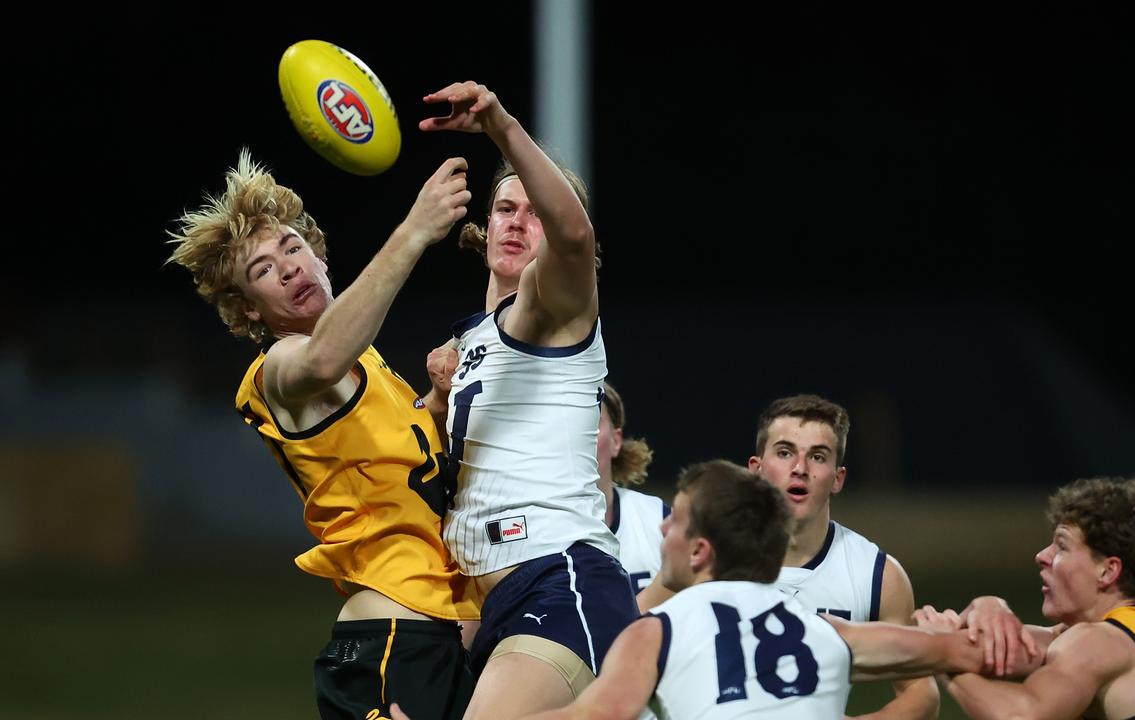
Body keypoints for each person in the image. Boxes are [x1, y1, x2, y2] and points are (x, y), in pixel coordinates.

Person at [166, 151, 480, 719]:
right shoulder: (280, 371)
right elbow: (322, 360)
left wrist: (436, 401)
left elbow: (405, 472)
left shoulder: (368, 362)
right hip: (390, 646)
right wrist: (414, 230)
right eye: (261, 270)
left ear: (320, 255)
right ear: (249, 311)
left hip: (440, 636)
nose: (285, 267)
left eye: (291, 247)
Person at [418, 81, 638, 720]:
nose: (517, 221)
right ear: (484, 228)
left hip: (559, 578)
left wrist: (500, 127)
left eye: (532, 211)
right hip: (488, 605)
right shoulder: (465, 346)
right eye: (504, 208)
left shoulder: (551, 309)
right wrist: (435, 401)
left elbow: (574, 236)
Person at [502, 460, 1036, 720]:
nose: (663, 529)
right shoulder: (829, 631)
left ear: (700, 552)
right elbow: (976, 649)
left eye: (678, 521)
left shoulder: (655, 632)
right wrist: (990, 611)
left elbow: (594, 717)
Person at [917, 476, 1135, 719]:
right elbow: (1001, 646)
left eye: (1062, 546)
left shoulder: (1103, 643)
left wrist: (946, 664)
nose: (1041, 556)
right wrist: (988, 605)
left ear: (1107, 571)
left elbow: (1019, 717)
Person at [747, 394, 939, 719]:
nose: (800, 469)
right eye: (784, 453)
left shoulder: (877, 575)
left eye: (818, 457)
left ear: (838, 478)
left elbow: (922, 693)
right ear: (756, 469)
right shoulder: (709, 558)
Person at [596, 381, 667, 596]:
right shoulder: (531, 529)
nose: (579, 436)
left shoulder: (658, 519)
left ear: (616, 441)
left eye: (591, 423)